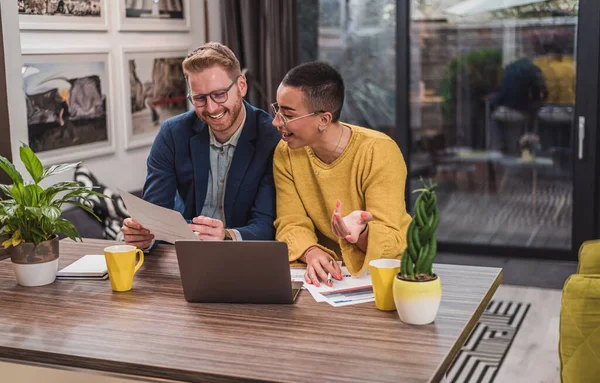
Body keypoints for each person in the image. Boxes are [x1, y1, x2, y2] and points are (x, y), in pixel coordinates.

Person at [122, 42, 281, 249]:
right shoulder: (172, 134)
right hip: (186, 253)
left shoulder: (271, 137)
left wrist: (226, 235)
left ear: (241, 85)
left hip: (244, 256)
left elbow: (267, 225)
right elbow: (155, 212)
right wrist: (143, 236)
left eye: (219, 94)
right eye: (199, 98)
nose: (212, 108)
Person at [272, 62, 412, 287]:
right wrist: (310, 251)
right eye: (277, 110)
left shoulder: (380, 151)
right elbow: (290, 221)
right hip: (323, 274)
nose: (276, 122)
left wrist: (361, 232)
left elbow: (391, 238)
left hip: (386, 272)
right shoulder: (286, 152)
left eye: (287, 114)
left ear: (324, 120)